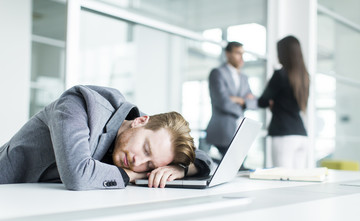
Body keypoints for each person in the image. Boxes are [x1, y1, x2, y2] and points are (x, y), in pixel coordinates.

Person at [0, 85, 212, 190]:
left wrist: (178, 169)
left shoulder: (142, 132)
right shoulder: (78, 105)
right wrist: (139, 176)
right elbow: (77, 175)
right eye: (146, 150)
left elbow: (204, 158)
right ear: (140, 120)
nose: (139, 162)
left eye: (150, 165)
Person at [258, 35, 310, 168]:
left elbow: (262, 101)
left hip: (283, 134)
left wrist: (272, 103)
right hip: (301, 135)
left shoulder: (280, 74)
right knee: (299, 181)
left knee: (282, 180)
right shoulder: (305, 77)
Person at [206, 41, 257, 157]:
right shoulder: (217, 73)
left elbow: (255, 102)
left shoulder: (244, 77)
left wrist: (240, 100)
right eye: (238, 53)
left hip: (240, 131)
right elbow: (223, 102)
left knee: (238, 168)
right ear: (228, 54)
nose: (242, 57)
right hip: (222, 131)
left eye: (243, 53)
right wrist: (244, 102)